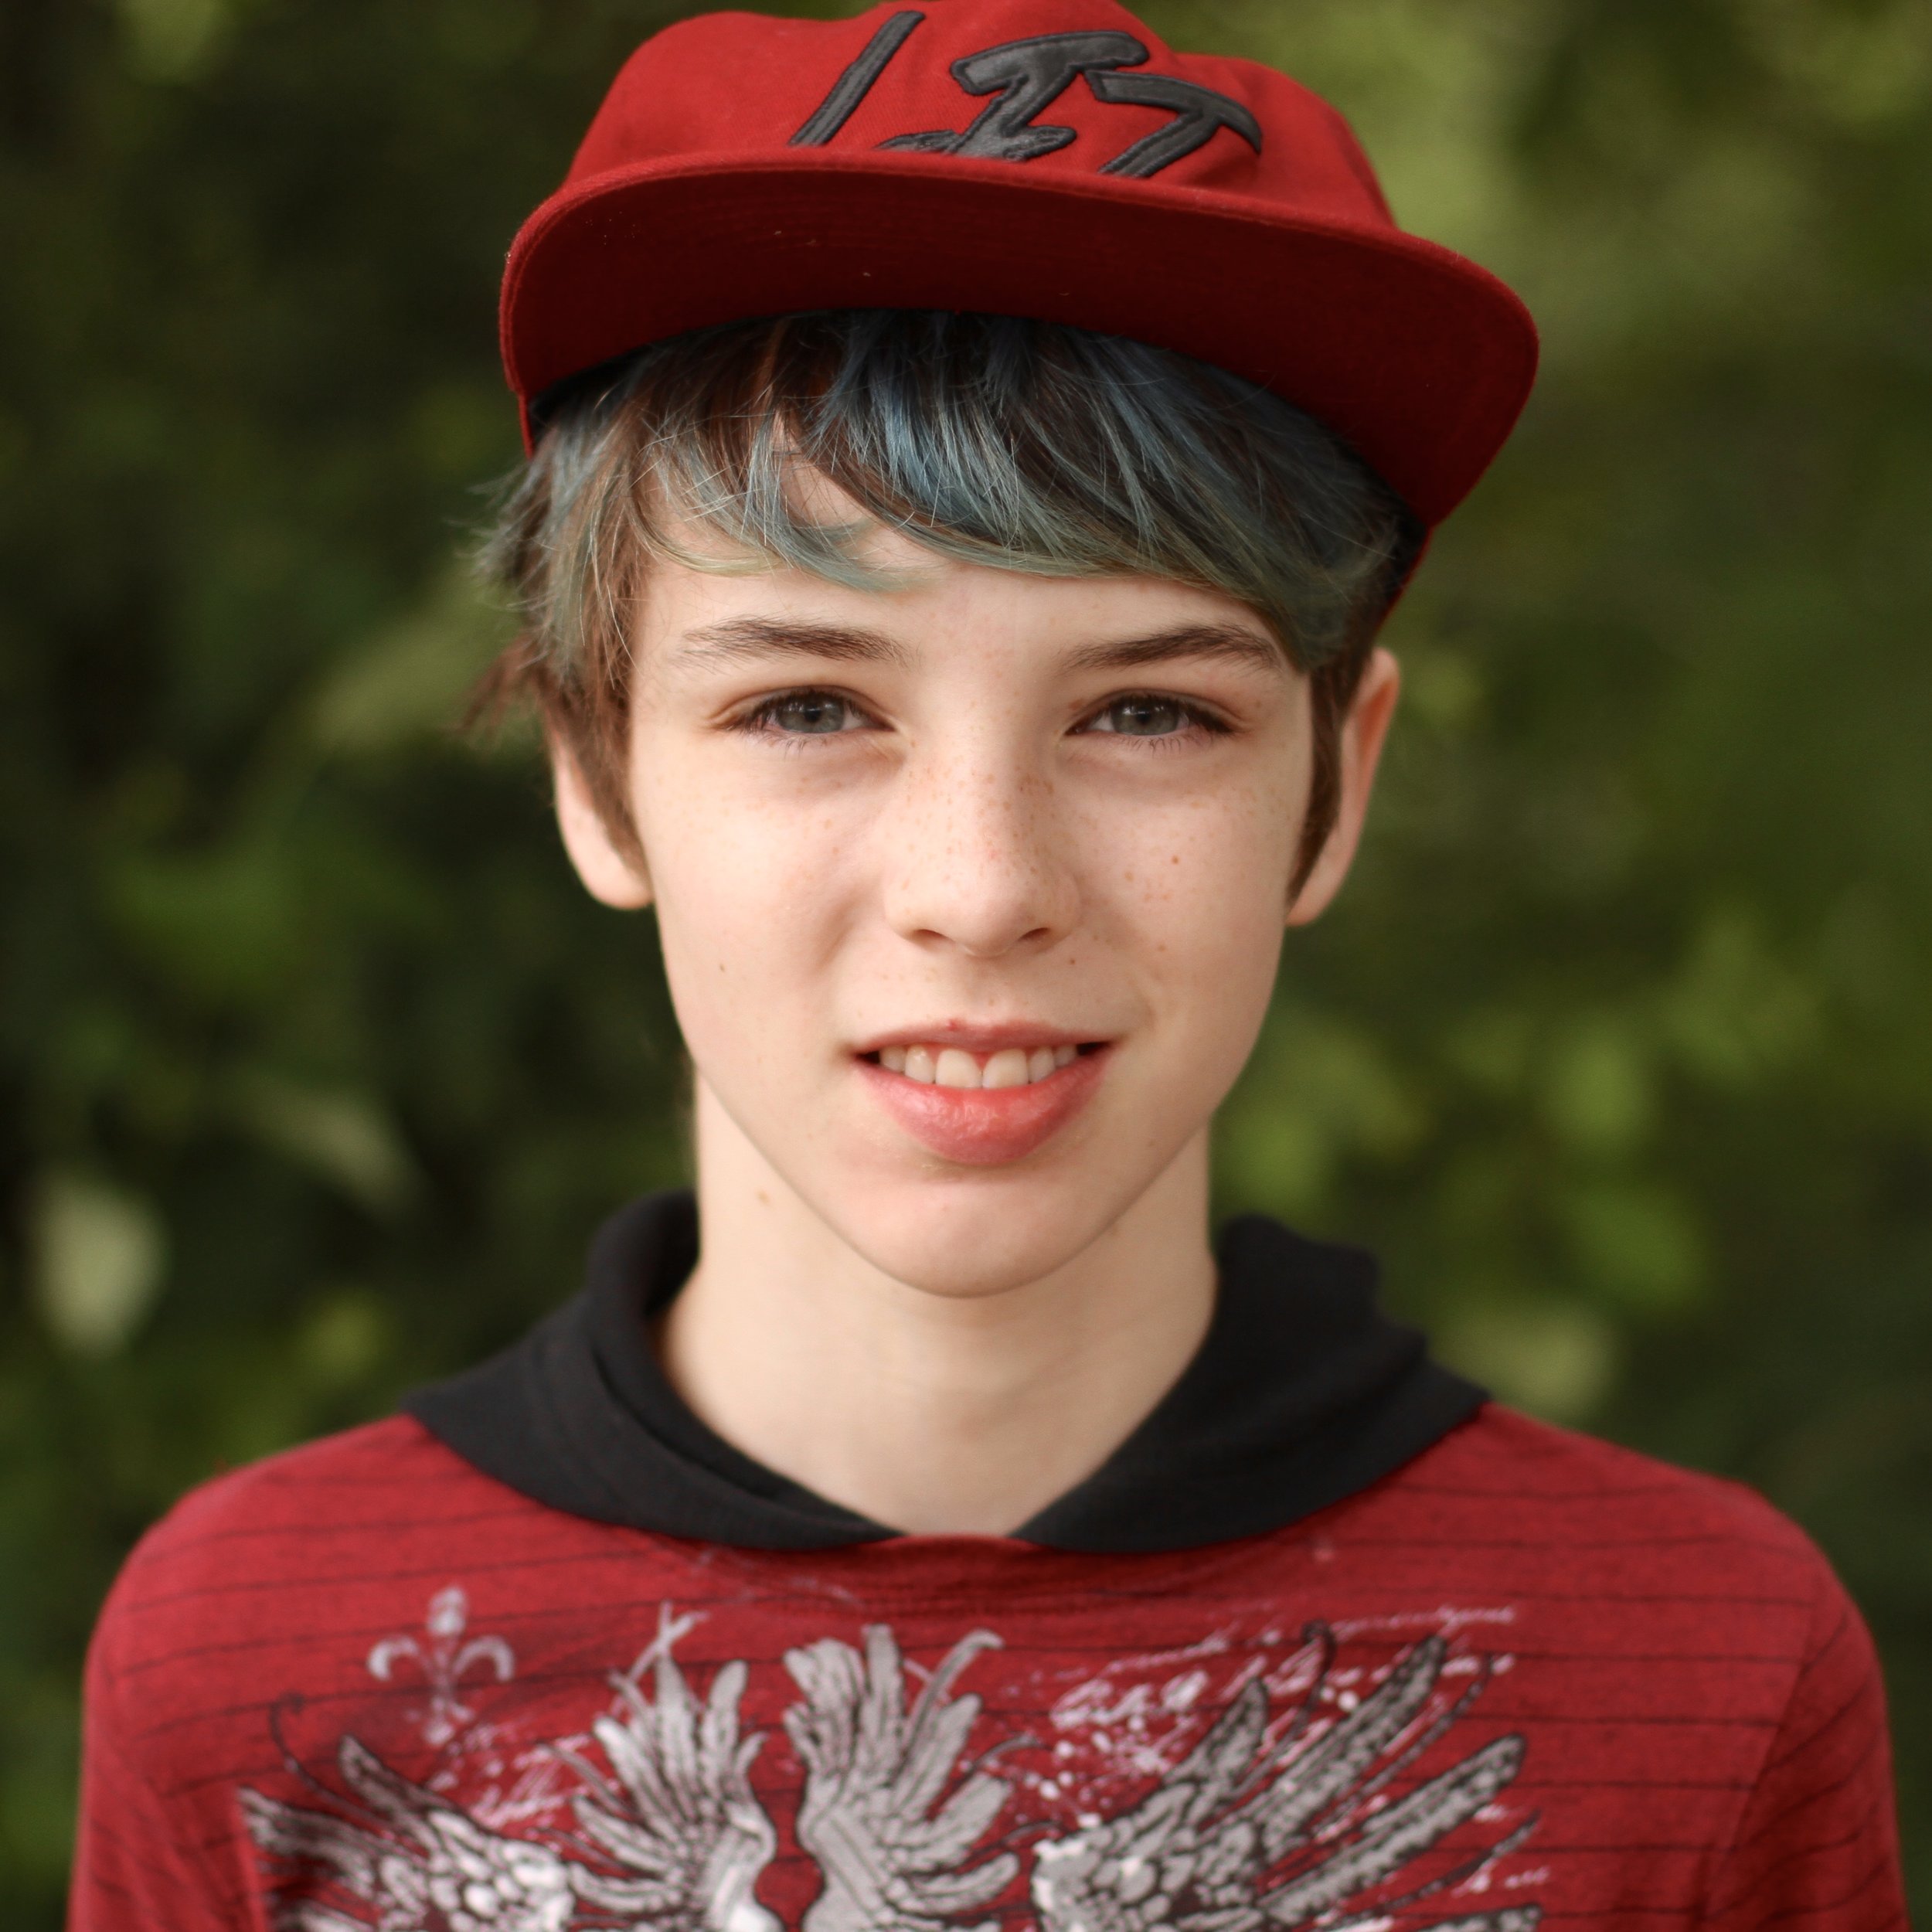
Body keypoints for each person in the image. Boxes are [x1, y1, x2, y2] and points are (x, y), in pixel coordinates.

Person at [68, 2, 1906, 1927]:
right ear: (598, 782)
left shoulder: (1700, 1666)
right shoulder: (247, 1660)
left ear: (1330, 791)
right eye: (800, 703)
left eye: (1146, 714)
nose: (979, 886)